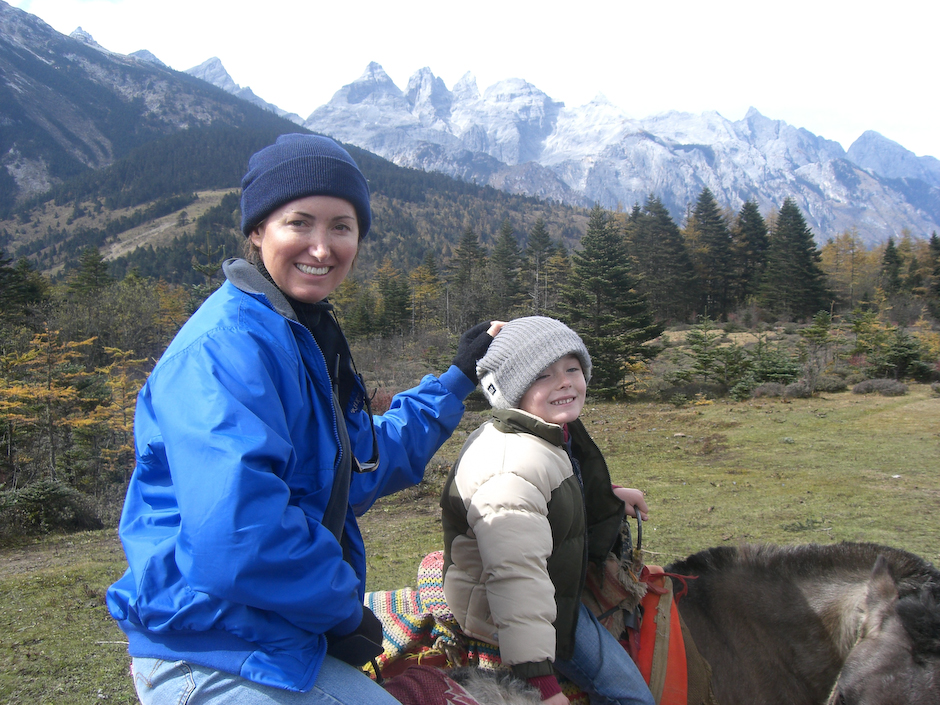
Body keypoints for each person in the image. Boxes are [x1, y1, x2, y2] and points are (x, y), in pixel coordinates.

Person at [106, 133, 501, 705]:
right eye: (299, 223)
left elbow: (355, 466)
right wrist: (343, 611)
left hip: (267, 632)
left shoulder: (297, 331)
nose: (322, 246)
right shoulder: (228, 349)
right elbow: (237, 535)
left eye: (342, 226)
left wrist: (455, 381)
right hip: (212, 647)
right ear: (257, 230)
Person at [440, 316, 655, 705]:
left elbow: (552, 492)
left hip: (548, 580)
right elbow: (516, 576)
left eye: (572, 368)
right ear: (511, 391)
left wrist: (609, 496)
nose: (565, 382)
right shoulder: (510, 467)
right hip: (511, 604)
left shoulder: (541, 434)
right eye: (542, 375)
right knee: (632, 696)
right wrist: (539, 682)